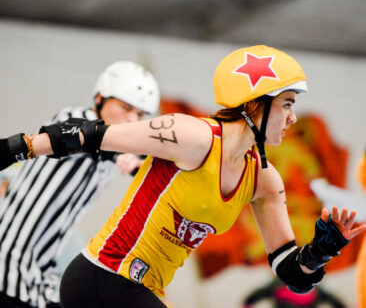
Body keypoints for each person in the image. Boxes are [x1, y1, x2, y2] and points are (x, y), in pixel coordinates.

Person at [1, 45, 365, 308]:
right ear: (255, 103)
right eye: (287, 104)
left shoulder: (264, 181)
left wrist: (321, 251)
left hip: (138, 290)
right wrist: (17, 147)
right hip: (104, 275)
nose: (293, 118)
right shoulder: (193, 136)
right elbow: (88, 134)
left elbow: (292, 274)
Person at [0, 61, 160, 308]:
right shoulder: (73, 119)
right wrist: (123, 155)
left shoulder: (111, 150)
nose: (131, 119)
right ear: (99, 98)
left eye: (139, 114)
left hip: (40, 276)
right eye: (126, 107)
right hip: (7, 263)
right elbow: (86, 138)